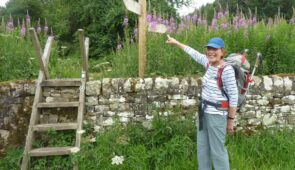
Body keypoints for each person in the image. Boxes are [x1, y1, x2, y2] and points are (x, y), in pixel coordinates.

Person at [166, 35, 238, 170]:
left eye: (214, 49)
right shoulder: (208, 63)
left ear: (222, 52)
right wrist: (177, 43)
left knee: (218, 151)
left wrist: (230, 120)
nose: (211, 51)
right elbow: (193, 53)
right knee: (202, 149)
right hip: (203, 113)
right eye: (209, 48)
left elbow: (234, 97)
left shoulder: (226, 70)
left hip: (217, 115)